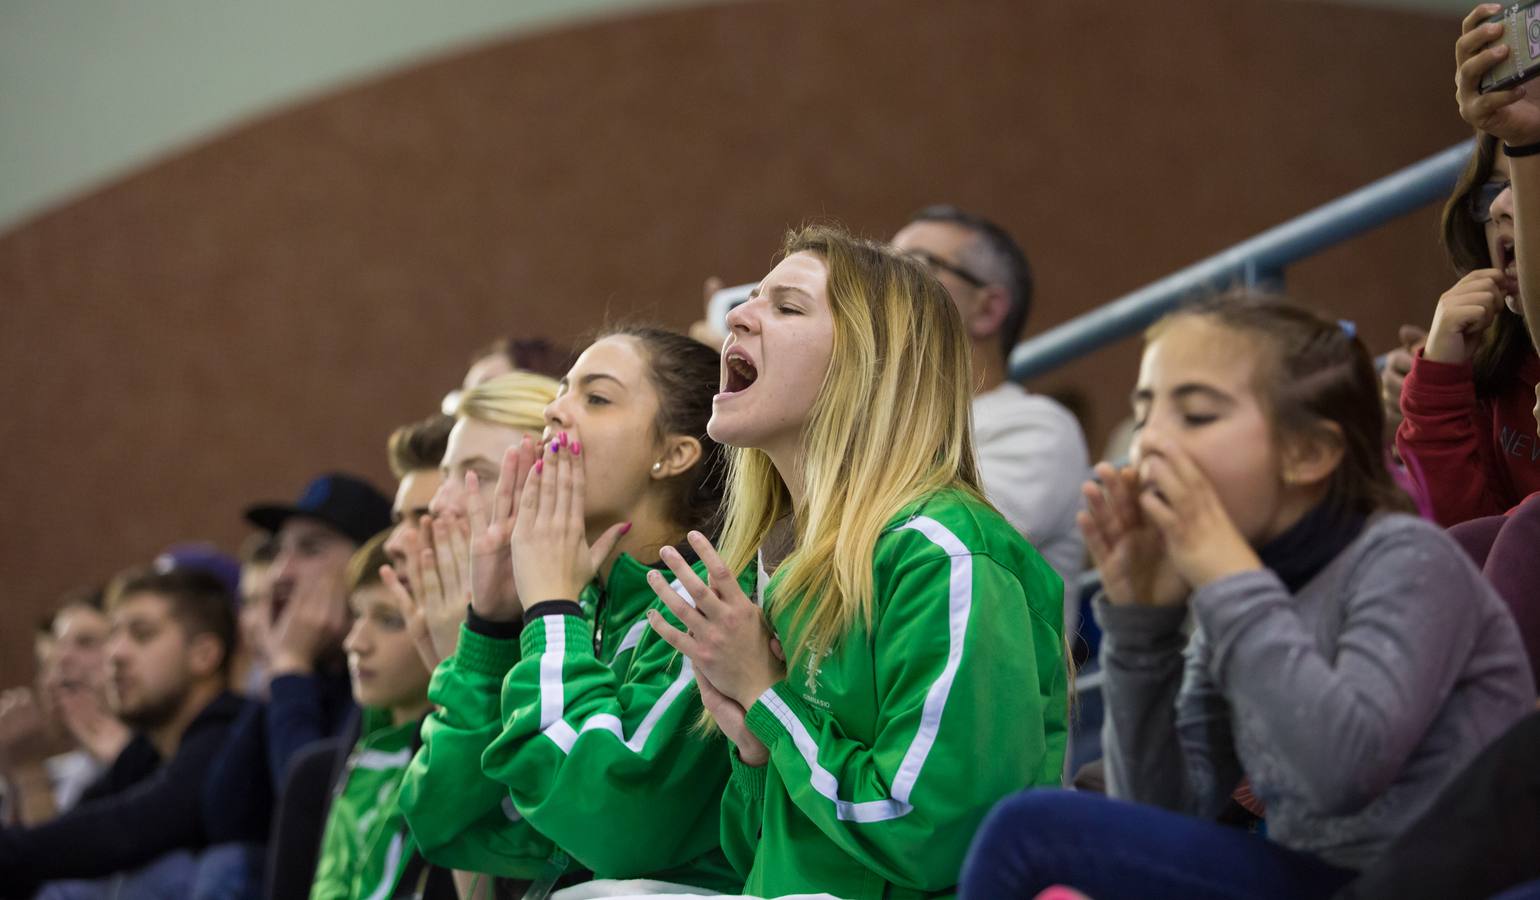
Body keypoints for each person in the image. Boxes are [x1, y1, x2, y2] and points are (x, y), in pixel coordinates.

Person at [958, 293, 1536, 900]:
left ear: (1308, 453)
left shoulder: (1407, 561)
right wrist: (1142, 624)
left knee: (1030, 830)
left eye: (1197, 415)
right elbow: (1161, 813)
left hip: (1440, 882)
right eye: (1146, 412)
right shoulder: (1241, 585)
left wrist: (1228, 578)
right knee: (1046, 833)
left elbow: (1343, 773)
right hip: (1315, 876)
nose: (1150, 442)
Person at [646, 225, 1068, 899]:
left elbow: (933, 831)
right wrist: (758, 749)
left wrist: (767, 700)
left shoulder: (945, 552)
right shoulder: (787, 561)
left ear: (872, 365)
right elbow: (762, 854)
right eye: (750, 300)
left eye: (786, 307)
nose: (735, 317)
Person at [463, 327, 750, 894]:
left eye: (595, 397)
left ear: (673, 454)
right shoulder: (588, 602)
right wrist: (491, 625)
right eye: (562, 391)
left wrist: (549, 610)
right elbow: (462, 826)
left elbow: (614, 823)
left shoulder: (709, 606)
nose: (554, 412)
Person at [392, 371, 573, 892]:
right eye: (448, 473)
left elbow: (526, 858)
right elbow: (445, 837)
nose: (443, 502)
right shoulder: (487, 624)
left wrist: (469, 664)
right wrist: (462, 665)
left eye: (477, 475)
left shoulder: (576, 627)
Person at [891, 206, 1090, 617]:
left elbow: (924, 547)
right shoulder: (881, 424)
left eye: (913, 265)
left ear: (988, 309)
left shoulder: (1038, 429)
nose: (884, 283)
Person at [0, 567, 246, 898]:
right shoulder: (146, 754)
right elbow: (66, 837)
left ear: (204, 655)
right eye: (113, 635)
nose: (115, 655)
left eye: (142, 635)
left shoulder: (233, 735)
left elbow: (129, 829)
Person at [202, 474, 392, 847]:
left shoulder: (393, 671)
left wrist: (289, 667)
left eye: (310, 549)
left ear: (367, 563)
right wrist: (284, 671)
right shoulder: (309, 667)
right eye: (278, 551)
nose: (281, 573)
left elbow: (318, 822)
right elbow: (224, 817)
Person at [1390, 130, 1539, 527]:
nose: (1501, 207)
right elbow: (1465, 545)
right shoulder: (1495, 361)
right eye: (1494, 187)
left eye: (1531, 177)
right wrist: (1437, 384)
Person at [308, 533, 450, 899]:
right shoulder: (355, 757)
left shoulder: (458, 765)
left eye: (389, 620)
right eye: (356, 614)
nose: (355, 642)